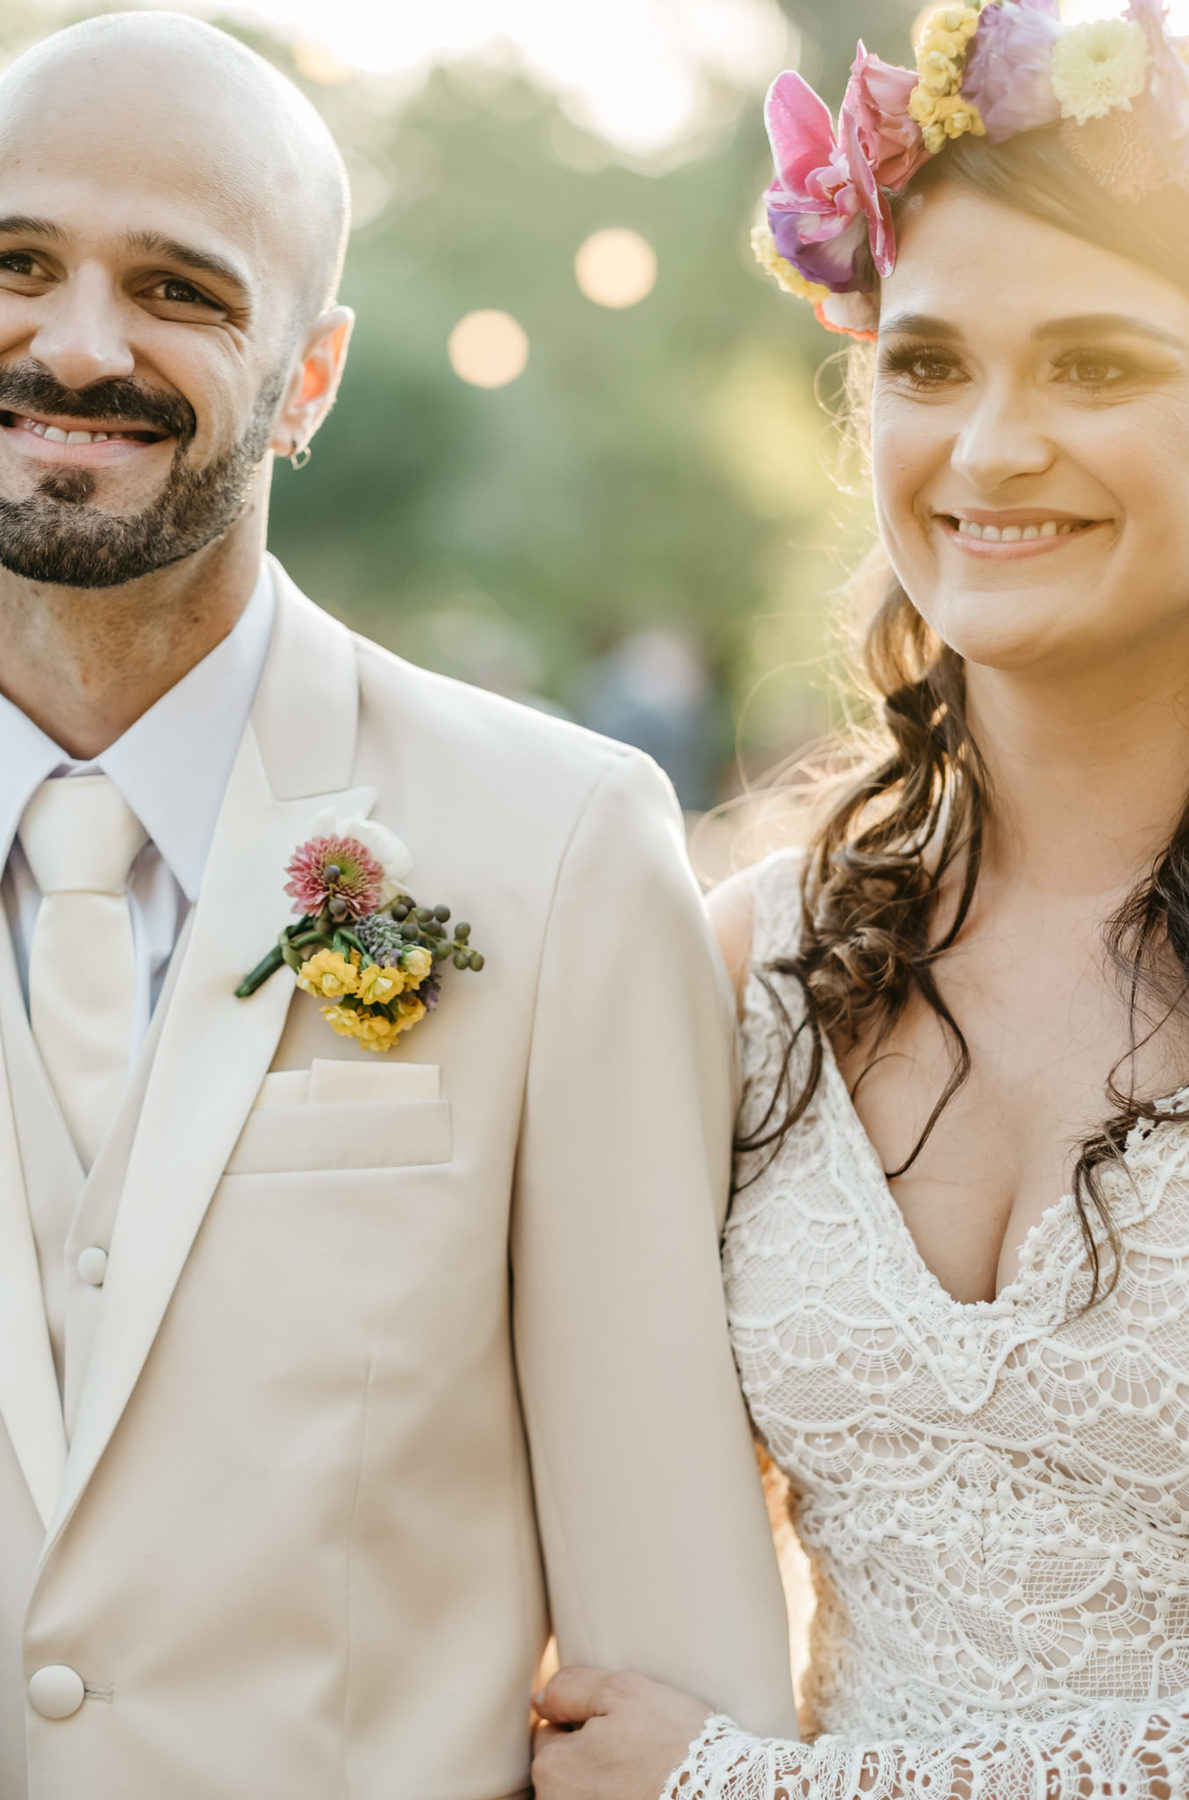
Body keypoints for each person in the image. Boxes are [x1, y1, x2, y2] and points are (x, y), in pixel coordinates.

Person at [0, 13, 799, 1797]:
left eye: (180, 288)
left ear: (312, 374)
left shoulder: (565, 850)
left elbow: (671, 1656)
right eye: (19, 261)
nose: (73, 339)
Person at [530, 0, 1189, 1794]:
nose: (986, 451)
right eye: (926, 365)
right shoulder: (751, 959)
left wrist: (755, 1792)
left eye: (1098, 366)